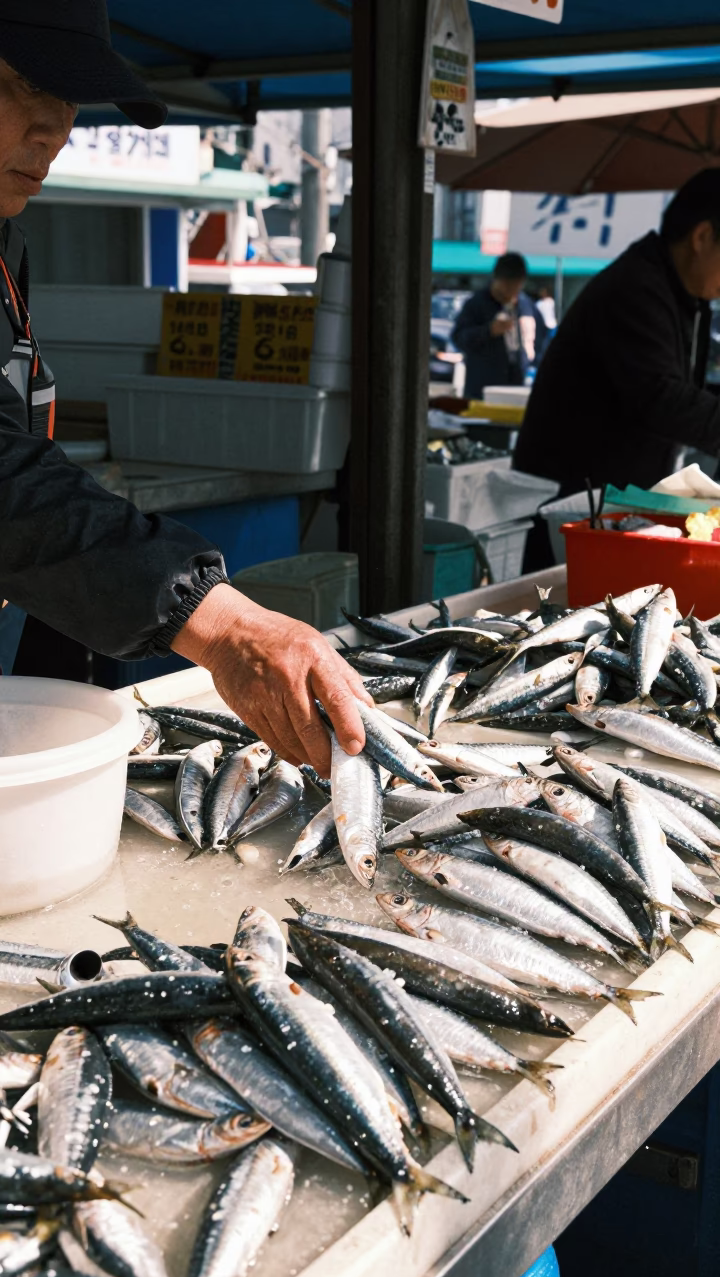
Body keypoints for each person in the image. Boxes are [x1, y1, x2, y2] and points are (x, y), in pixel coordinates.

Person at [0, 1, 369, 777]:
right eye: (24, 86)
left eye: (68, 101)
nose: (53, 130)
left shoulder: (5, 243)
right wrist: (222, 625)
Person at [514, 169, 720, 505]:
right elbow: (660, 396)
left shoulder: (673, 291)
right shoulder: (636, 288)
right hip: (573, 504)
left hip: (611, 497)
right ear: (702, 237)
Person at [451, 252, 546, 399]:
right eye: (507, 286)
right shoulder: (476, 304)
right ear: (496, 280)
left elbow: (541, 339)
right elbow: (458, 338)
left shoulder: (526, 305)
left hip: (516, 385)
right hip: (482, 389)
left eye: (517, 286)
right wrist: (488, 331)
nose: (512, 291)